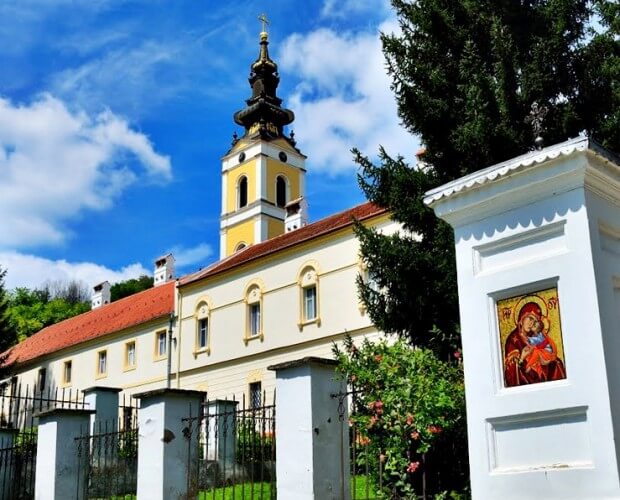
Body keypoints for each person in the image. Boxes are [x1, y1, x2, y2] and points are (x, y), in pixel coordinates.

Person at [504, 301, 566, 387]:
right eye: (530, 318)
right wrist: (522, 357)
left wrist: (546, 359)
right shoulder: (513, 339)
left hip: (540, 371)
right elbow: (511, 368)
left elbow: (547, 347)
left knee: (557, 363)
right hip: (524, 377)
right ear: (522, 318)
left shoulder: (535, 334)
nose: (531, 323)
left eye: (535, 321)